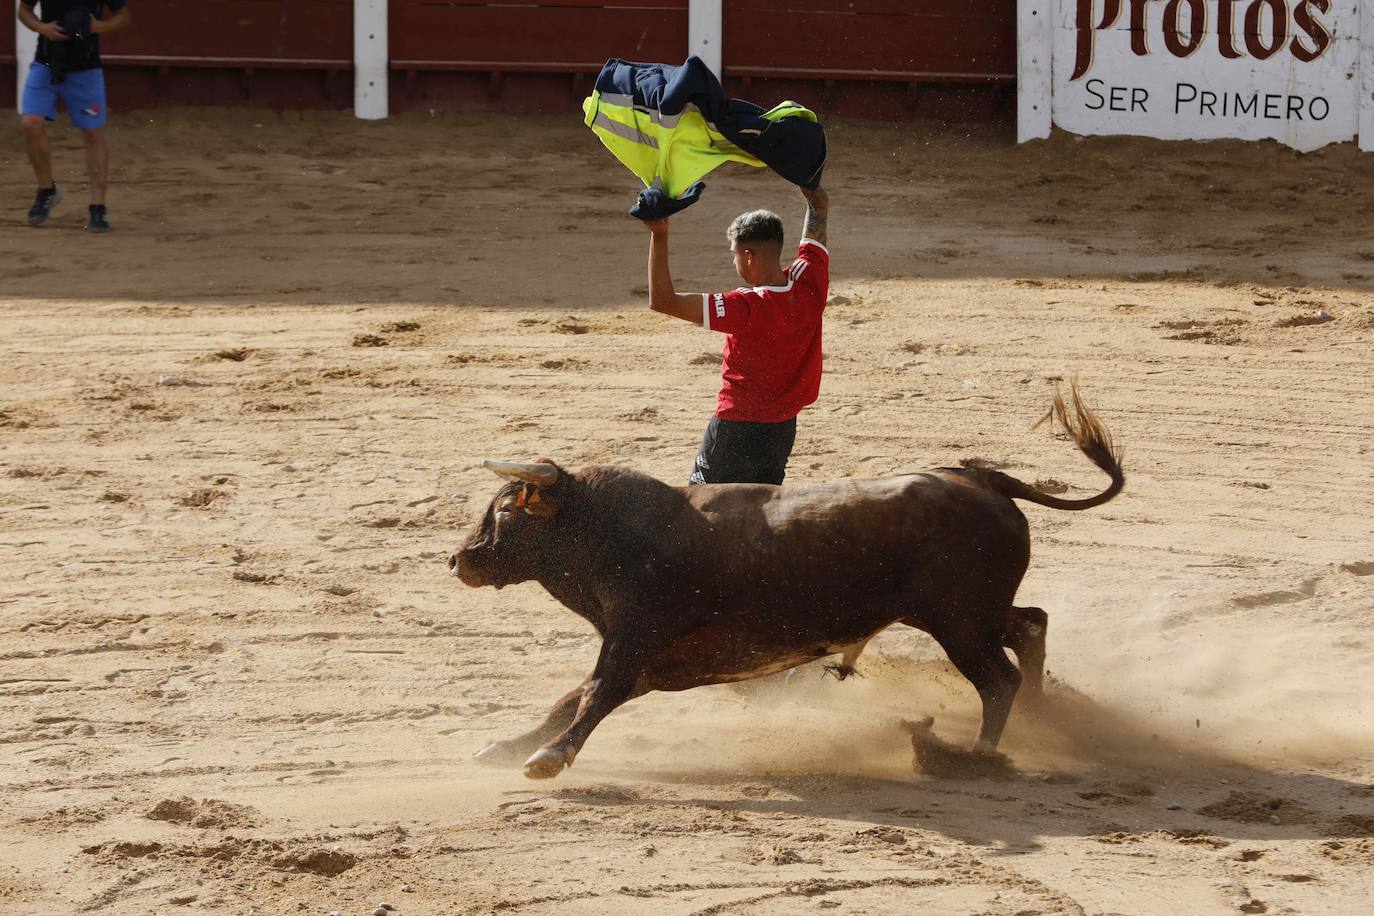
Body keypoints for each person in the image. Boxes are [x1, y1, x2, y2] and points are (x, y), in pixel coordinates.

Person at [645, 185, 830, 485]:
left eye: (733, 255)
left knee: (703, 511)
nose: (733, 262)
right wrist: (807, 180)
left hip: (735, 429)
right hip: (782, 429)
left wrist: (659, 233)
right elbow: (819, 207)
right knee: (759, 516)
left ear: (748, 256)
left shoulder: (745, 308)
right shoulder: (810, 283)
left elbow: (663, 301)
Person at [17, 0, 131, 231]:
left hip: (85, 66)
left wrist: (98, 27)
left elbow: (123, 16)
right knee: (30, 122)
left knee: (92, 133)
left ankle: (97, 206)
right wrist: (41, 28)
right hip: (47, 60)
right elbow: (24, 11)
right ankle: (47, 189)